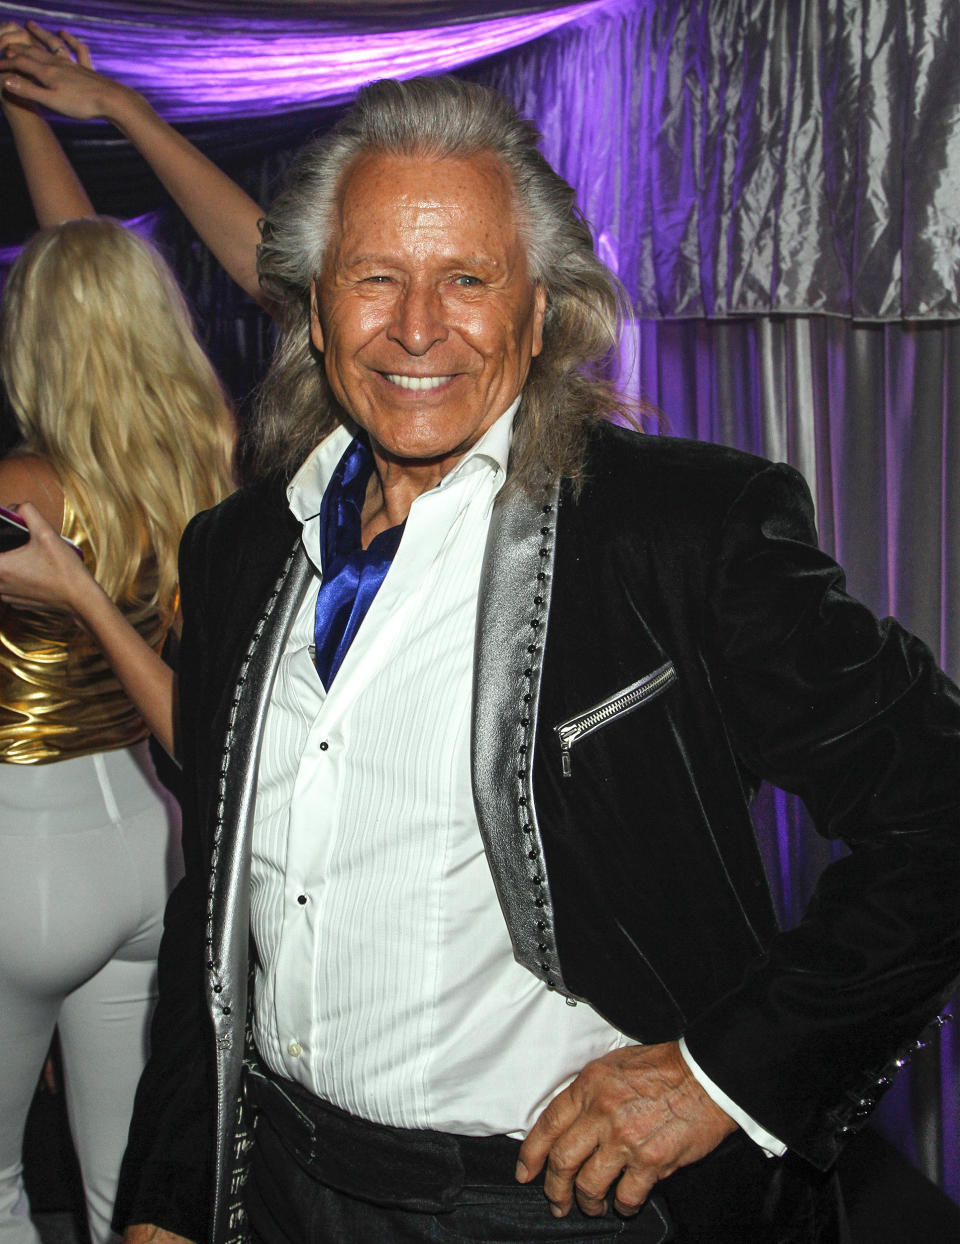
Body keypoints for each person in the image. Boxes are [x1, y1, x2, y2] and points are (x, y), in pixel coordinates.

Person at [1, 48, 959, 1244]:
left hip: (553, 1211)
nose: (415, 326)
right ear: (313, 305)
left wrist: (721, 1071)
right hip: (282, 1189)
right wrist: (168, 1194)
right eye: (373, 276)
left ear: (539, 310)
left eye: (466, 276)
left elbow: (939, 807)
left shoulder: (673, 532)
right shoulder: (239, 549)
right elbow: (221, 901)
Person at [0, 31, 235, 1244]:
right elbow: (89, 278)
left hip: (19, 856)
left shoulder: (14, 493)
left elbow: (69, 287)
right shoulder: (200, 464)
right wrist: (28, 113)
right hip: (150, 842)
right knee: (129, 1185)